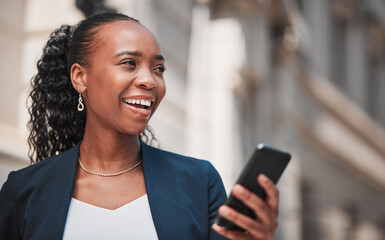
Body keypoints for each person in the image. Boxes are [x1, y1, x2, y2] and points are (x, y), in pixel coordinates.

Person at [0, 13, 279, 240]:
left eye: (158, 69)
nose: (149, 80)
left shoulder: (199, 182)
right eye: (129, 63)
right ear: (80, 77)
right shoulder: (23, 191)